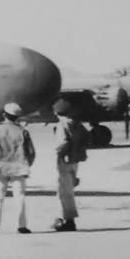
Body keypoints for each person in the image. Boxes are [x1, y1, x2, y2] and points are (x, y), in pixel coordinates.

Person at [0, 101, 36, 233]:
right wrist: (26, 163)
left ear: (4, 115)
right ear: (17, 117)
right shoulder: (23, 131)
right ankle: (22, 226)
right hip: (19, 168)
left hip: (1, 167)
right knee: (19, 197)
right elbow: (31, 153)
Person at [51, 99, 88, 231]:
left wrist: (59, 153)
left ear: (56, 112)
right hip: (75, 160)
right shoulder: (77, 123)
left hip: (64, 160)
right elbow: (87, 137)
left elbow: (62, 143)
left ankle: (66, 220)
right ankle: (66, 218)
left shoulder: (62, 125)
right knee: (69, 190)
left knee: (64, 191)